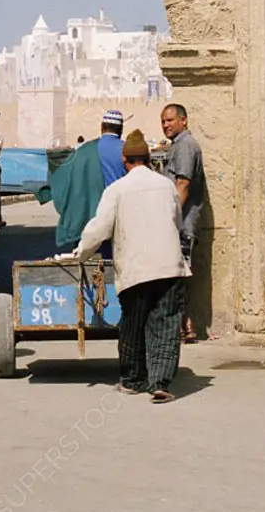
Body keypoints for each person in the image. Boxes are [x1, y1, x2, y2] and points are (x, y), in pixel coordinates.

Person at [69, 129, 190, 403]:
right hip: (169, 267)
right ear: (148, 159)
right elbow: (177, 221)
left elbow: (98, 229)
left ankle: (133, 380)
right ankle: (160, 383)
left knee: (133, 325)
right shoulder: (166, 186)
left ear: (125, 161)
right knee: (165, 325)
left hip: (136, 270)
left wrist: (81, 254)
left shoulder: (117, 189)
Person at [50, 109, 127, 259]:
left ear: (102, 127)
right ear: (121, 129)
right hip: (120, 219)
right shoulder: (126, 150)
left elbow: (71, 187)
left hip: (91, 220)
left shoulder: (83, 151)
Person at [161, 103, 206, 344]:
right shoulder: (178, 146)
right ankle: (186, 325)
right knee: (180, 275)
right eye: (164, 122)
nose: (166, 125)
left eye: (170, 120)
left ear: (184, 120)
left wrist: (168, 218)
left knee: (176, 275)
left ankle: (182, 327)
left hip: (182, 225)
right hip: (181, 224)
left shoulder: (186, 146)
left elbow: (183, 185)